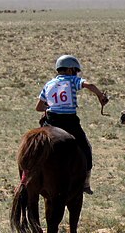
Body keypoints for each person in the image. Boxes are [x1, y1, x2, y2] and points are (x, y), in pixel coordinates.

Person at [36, 55, 109, 194]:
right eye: (75, 71)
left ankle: (26, 177)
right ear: (70, 70)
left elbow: (38, 107)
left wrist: (51, 105)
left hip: (51, 121)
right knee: (86, 147)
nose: (75, 73)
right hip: (69, 121)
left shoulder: (48, 84)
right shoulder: (72, 80)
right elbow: (90, 85)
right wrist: (100, 95)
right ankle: (86, 183)